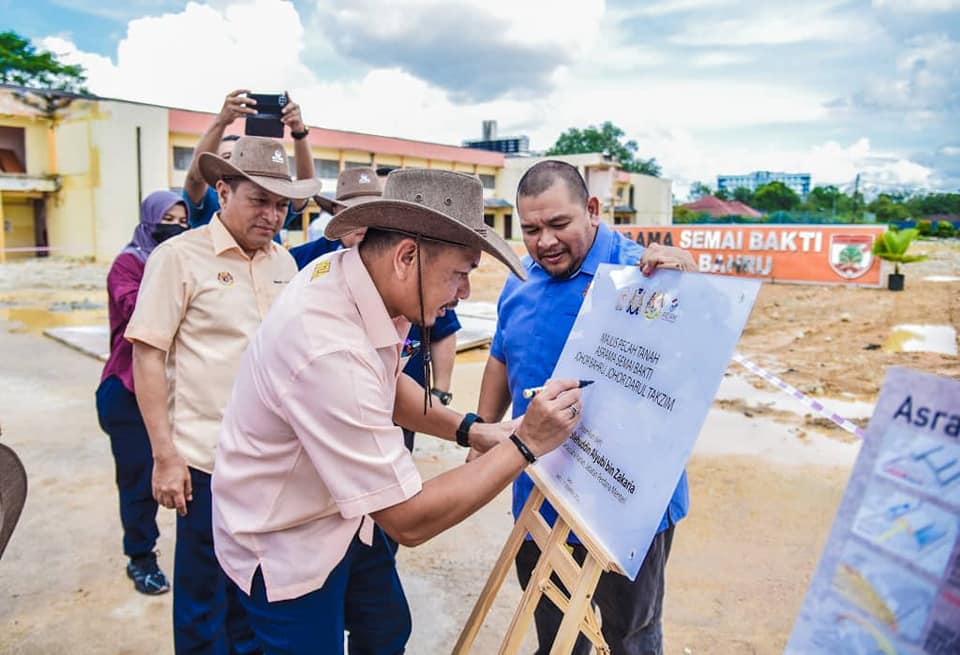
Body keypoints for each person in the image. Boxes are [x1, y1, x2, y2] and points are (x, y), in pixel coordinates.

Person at [211, 169, 584, 654]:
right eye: (461, 272)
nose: (466, 292)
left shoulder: (355, 277)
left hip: (340, 516)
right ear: (407, 256)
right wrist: (524, 444)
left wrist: (474, 431)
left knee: (386, 629)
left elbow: (387, 386)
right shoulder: (328, 346)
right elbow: (408, 520)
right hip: (286, 536)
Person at [476, 160, 696, 655]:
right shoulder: (519, 281)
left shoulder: (645, 274)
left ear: (592, 210)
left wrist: (688, 286)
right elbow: (500, 355)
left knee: (630, 637)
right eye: (530, 229)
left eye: (558, 225)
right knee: (557, 636)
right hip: (540, 497)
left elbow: (693, 357)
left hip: (627, 502)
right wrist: (482, 430)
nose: (545, 242)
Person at [126, 136, 321, 653]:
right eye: (259, 200)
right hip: (206, 466)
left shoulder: (286, 264)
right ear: (222, 191)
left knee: (253, 596)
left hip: (272, 468)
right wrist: (165, 457)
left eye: (281, 204)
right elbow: (147, 356)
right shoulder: (178, 258)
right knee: (201, 602)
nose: (273, 215)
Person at [288, 166, 461, 453]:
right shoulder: (303, 262)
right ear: (336, 211)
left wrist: (440, 392)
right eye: (355, 211)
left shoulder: (411, 266)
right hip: (335, 408)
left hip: (402, 403)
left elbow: (444, 332)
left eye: (372, 210)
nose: (364, 221)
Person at [95, 190, 187, 595]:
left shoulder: (184, 263)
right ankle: (141, 558)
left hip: (174, 392)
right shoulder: (129, 263)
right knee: (138, 482)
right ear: (150, 218)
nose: (177, 227)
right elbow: (139, 311)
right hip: (127, 392)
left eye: (183, 221)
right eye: (168, 218)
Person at [182, 89, 314, 231]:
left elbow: (304, 188)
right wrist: (220, 122)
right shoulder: (207, 198)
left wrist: (299, 131)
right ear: (223, 194)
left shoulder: (271, 195)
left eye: (241, 156)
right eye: (226, 157)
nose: (270, 216)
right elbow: (195, 178)